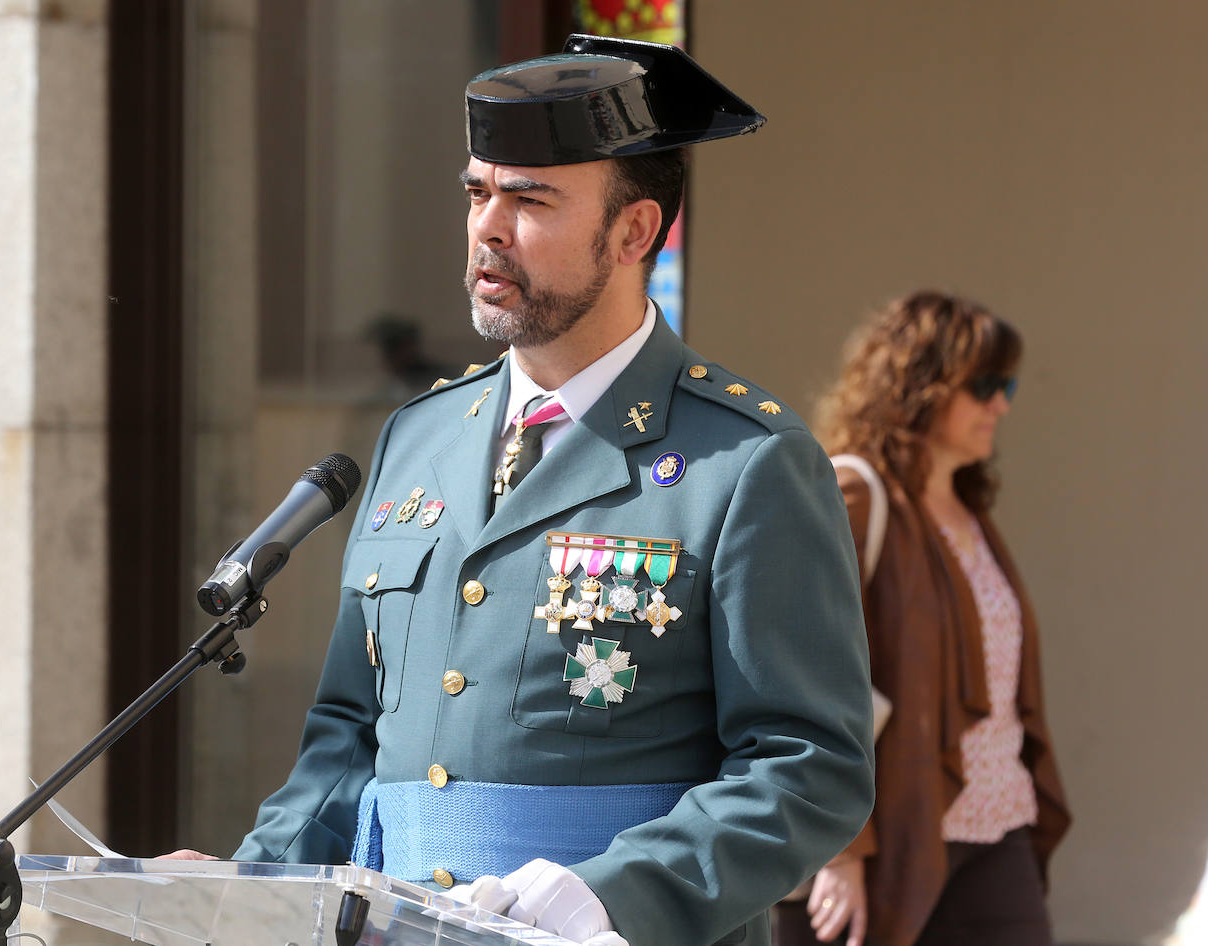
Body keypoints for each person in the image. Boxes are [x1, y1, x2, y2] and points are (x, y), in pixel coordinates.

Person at [171, 36, 875, 946]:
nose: (489, 228)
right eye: (477, 192)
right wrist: (258, 883)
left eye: (530, 199)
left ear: (634, 233)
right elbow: (349, 738)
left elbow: (809, 767)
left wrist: (620, 894)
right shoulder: (418, 438)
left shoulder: (743, 461)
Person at [774, 291, 1071, 946]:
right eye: (985, 385)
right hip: (895, 836)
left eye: (1008, 385)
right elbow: (809, 673)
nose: (1002, 404)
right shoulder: (856, 490)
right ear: (921, 386)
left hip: (997, 824)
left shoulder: (969, 513)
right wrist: (843, 850)